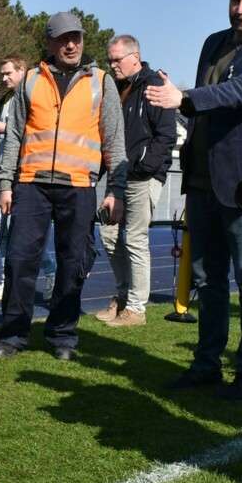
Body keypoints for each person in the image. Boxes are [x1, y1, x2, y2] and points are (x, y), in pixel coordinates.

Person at [146, 0, 242, 400]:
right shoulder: (213, 43)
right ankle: (207, 363)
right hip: (203, 179)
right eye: (234, 1)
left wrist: (186, 97)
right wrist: (182, 100)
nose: (239, 10)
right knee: (207, 279)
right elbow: (207, 104)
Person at [0, 11, 127, 360]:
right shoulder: (30, 81)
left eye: (77, 38)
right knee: (20, 261)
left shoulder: (102, 81)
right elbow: (14, 138)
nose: (71, 44)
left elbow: (114, 141)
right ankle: (12, 335)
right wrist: (5, 183)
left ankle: (63, 337)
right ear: (50, 43)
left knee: (73, 263)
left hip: (79, 186)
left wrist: (116, 190)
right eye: (64, 39)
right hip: (30, 185)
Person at [95, 35, 176, 327]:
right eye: (110, 60)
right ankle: (123, 296)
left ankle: (137, 308)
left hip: (143, 176)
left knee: (135, 239)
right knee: (108, 234)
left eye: (116, 59)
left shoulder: (154, 85)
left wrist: (144, 166)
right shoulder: (118, 90)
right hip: (118, 175)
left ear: (135, 57)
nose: (112, 65)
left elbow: (166, 135)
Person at [0, 55, 56, 303]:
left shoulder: (35, 96)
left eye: (8, 73)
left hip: (26, 176)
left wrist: (8, 129)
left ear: (22, 71)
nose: (4, 78)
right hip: (5, 175)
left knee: (23, 233)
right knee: (1, 230)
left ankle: (51, 271)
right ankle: (6, 282)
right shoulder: (6, 100)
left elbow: (41, 134)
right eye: (2, 74)